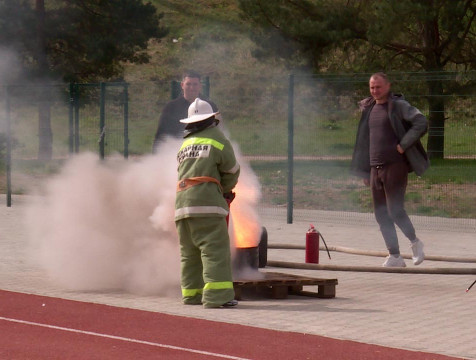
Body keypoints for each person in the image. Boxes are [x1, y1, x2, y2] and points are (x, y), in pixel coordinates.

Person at [350, 72, 429, 267]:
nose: (375, 91)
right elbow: (364, 141)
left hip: (395, 165)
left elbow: (421, 122)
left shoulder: (399, 106)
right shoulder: (369, 109)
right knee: (380, 213)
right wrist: (365, 171)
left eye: (378, 87)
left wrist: (404, 144)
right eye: (372, 87)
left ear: (388, 86)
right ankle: (394, 256)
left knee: (394, 209)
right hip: (374, 168)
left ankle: (415, 243)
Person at [174, 98, 240, 308]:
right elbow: (231, 170)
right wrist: (225, 191)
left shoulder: (185, 144)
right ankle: (217, 297)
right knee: (215, 251)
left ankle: (191, 295)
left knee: (189, 253)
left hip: (182, 205)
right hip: (207, 204)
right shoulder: (217, 139)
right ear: (212, 119)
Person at [152, 70, 219, 152]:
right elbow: (161, 135)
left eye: (195, 84)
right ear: (182, 85)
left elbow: (219, 130)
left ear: (200, 86)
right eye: (188, 84)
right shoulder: (171, 108)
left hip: (206, 151)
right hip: (176, 151)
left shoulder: (210, 106)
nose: (192, 88)